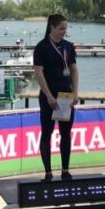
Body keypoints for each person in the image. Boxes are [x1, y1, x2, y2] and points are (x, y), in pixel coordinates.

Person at [34, 14, 79, 181]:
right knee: (47, 133)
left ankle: (65, 170)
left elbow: (73, 69)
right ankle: (48, 172)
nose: (64, 31)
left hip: (65, 96)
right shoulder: (42, 47)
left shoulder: (68, 46)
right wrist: (48, 95)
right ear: (52, 27)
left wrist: (75, 92)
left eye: (65, 29)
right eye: (61, 29)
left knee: (65, 134)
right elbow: (38, 73)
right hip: (49, 98)